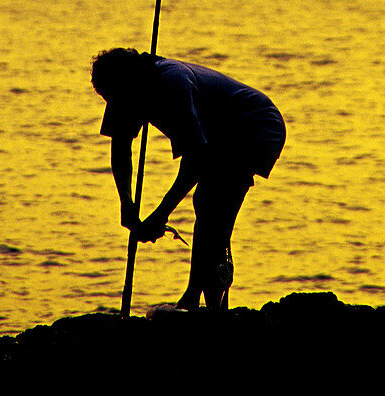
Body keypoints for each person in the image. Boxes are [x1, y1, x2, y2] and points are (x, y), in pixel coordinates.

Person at [91, 47, 286, 310]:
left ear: (130, 84)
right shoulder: (121, 96)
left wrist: (160, 214)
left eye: (114, 98)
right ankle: (200, 300)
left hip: (255, 125)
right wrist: (126, 201)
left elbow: (196, 159)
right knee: (208, 208)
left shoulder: (172, 84)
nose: (113, 107)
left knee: (212, 203)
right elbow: (121, 147)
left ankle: (202, 303)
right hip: (219, 134)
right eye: (107, 100)